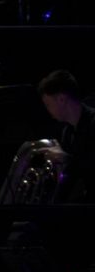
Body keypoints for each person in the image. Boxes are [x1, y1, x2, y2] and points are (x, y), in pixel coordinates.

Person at [38, 69, 95, 203]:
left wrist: (66, 159)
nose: (48, 110)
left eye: (48, 104)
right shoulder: (68, 132)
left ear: (61, 99)